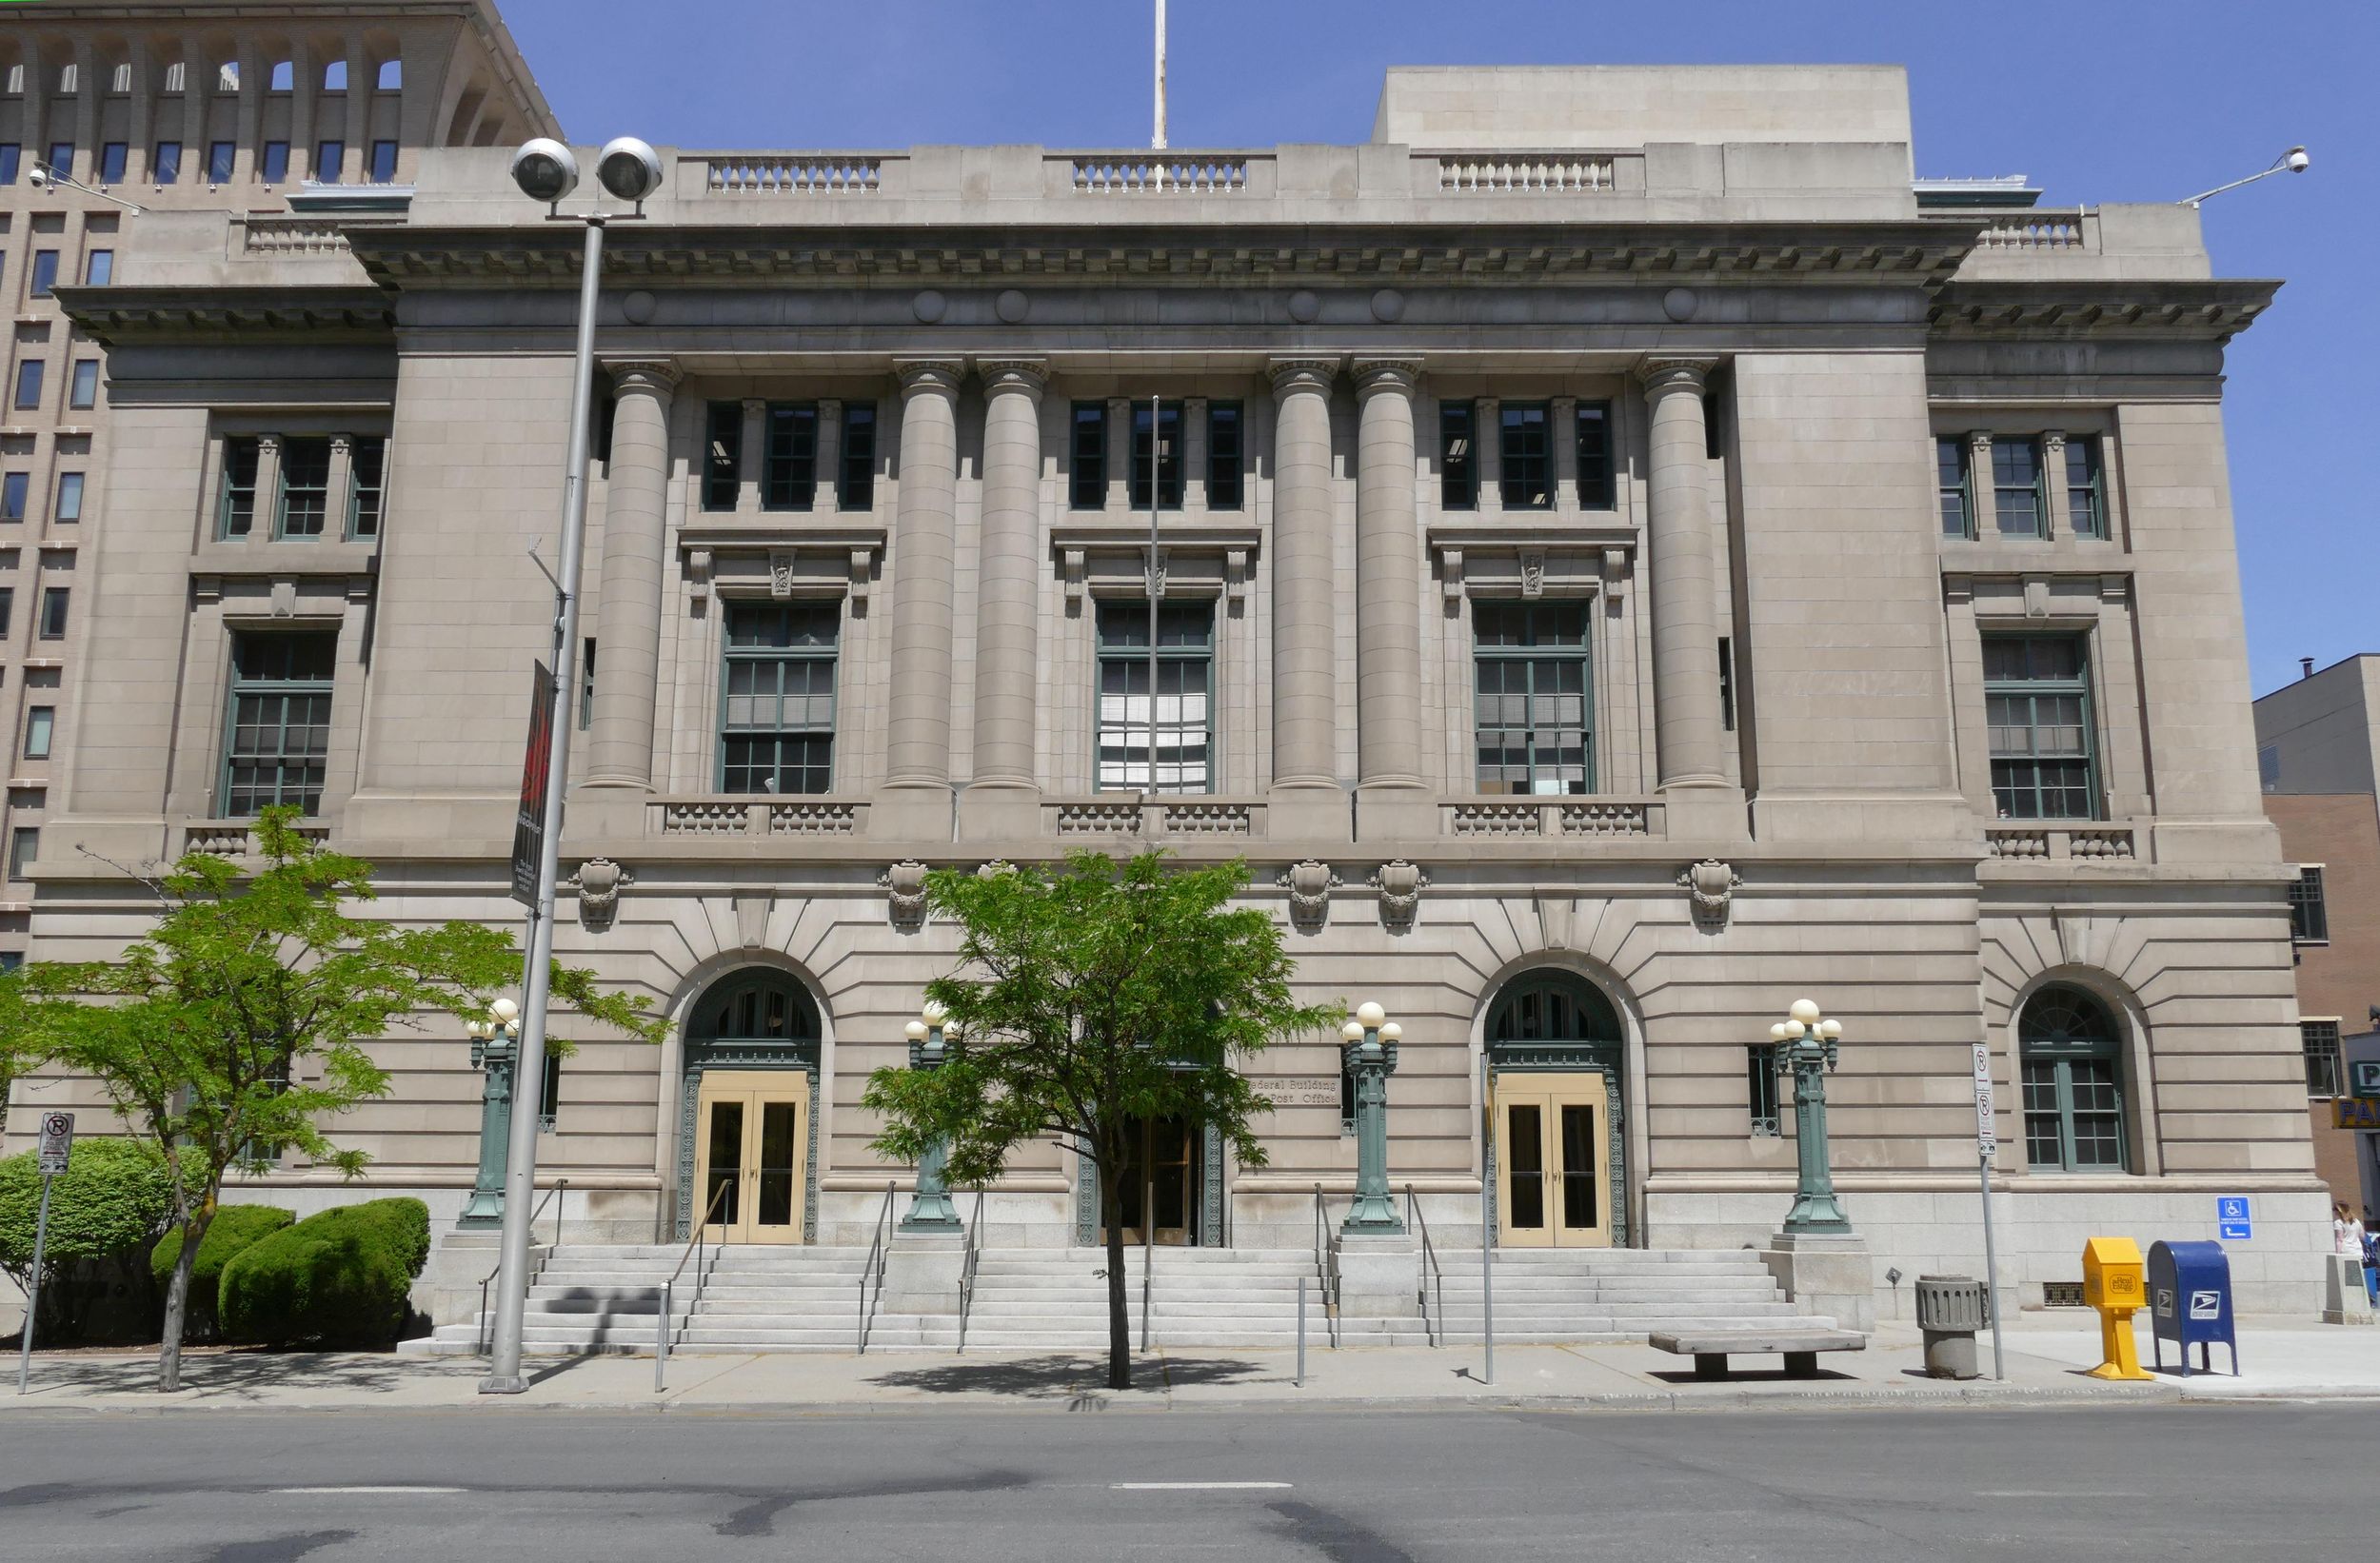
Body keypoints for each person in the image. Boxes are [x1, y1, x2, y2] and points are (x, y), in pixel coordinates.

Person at [2363, 1208, 2379, 1306]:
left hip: (2366, 1262)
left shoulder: (2366, 1238)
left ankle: (2371, 1300)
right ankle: (2372, 1300)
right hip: (2368, 1262)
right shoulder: (2366, 1237)